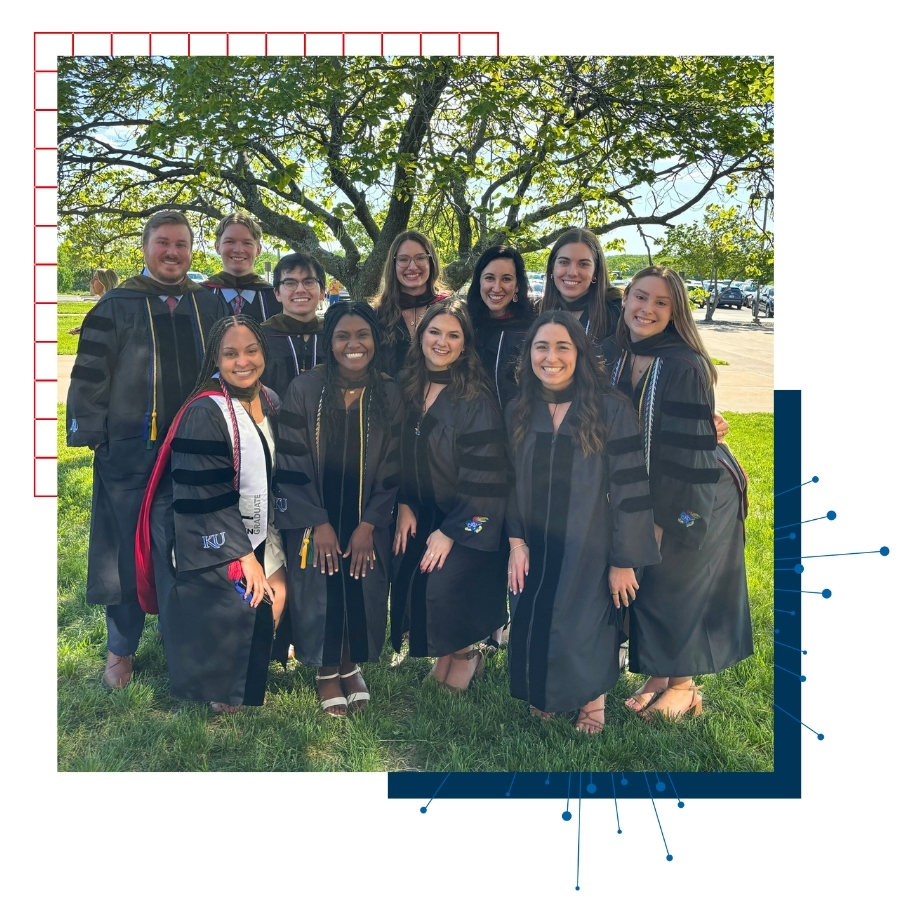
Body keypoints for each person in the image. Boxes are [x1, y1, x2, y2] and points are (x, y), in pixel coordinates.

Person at [66, 210, 229, 690]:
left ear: (192, 250)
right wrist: (97, 438)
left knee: (195, 550)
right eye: (163, 242)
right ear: (145, 247)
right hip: (132, 452)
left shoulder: (211, 307)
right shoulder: (117, 305)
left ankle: (193, 645)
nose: (173, 252)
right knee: (125, 553)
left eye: (181, 243)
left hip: (197, 450)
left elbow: (232, 369)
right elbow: (89, 377)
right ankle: (121, 650)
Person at [600, 266, 753, 720]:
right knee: (655, 588)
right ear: (625, 300)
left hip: (696, 493)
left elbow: (689, 456)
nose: (647, 309)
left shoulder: (683, 365)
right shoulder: (616, 354)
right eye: (640, 297)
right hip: (649, 488)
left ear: (675, 311)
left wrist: (662, 522)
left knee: (678, 584)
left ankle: (684, 686)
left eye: (660, 303)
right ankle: (659, 677)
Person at [505, 311, 660, 733]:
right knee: (534, 614)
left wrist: (624, 558)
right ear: (529, 355)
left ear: (580, 354)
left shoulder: (609, 409)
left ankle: (593, 702)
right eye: (541, 347)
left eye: (562, 347)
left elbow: (630, 488)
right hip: (534, 541)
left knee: (584, 623)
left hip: (589, 542)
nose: (550, 357)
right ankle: (546, 690)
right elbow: (508, 485)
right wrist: (515, 542)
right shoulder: (519, 409)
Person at [136, 316, 287, 713]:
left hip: (259, 523)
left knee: (281, 591)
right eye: (230, 353)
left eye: (251, 350)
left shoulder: (270, 399)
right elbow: (203, 494)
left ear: (263, 353)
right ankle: (224, 686)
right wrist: (243, 555)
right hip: (207, 529)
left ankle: (245, 671)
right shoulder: (205, 411)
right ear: (215, 359)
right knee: (246, 594)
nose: (243, 361)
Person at [274, 302, 402, 715]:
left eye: (362, 335)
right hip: (316, 518)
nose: (353, 344)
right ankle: (327, 670)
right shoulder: (306, 388)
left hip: (368, 517)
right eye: (343, 336)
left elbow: (395, 465)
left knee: (362, 585)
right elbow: (291, 463)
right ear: (329, 342)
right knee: (320, 587)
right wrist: (317, 521)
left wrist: (369, 524)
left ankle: (351, 665)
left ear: (375, 340)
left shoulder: (388, 390)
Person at [391, 299, 510, 692]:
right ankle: (446, 655)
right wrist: (405, 502)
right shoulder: (408, 386)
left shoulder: (474, 400)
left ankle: (465, 655)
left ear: (465, 344)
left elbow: (488, 477)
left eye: (453, 335)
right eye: (434, 332)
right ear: (421, 336)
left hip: (472, 516)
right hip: (423, 509)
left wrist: (452, 531)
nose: (442, 342)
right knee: (417, 583)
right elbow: (398, 453)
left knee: (444, 584)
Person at [372, 230, 451, 378]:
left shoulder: (448, 309)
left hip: (442, 398)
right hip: (390, 398)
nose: (412, 266)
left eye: (420, 258)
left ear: (431, 261)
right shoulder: (378, 314)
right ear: (393, 264)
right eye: (403, 259)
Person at [465, 245, 535, 411]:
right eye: (489, 278)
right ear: (479, 282)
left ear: (517, 285)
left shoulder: (533, 330)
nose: (497, 288)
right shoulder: (464, 325)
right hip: (470, 425)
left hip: (516, 425)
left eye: (506, 279)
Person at [539, 228, 622, 348]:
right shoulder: (537, 311)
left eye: (583, 264)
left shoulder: (616, 312)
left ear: (595, 271)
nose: (572, 272)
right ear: (552, 267)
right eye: (564, 262)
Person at [260, 252, 326, 397]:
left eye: (309, 282)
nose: (300, 290)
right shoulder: (260, 338)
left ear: (322, 291)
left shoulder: (333, 335)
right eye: (290, 283)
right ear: (277, 293)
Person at [202, 212, 283, 322]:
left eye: (247, 243)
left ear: (258, 250)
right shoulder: (199, 297)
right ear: (217, 247)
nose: (238, 250)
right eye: (230, 241)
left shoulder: (276, 298)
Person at [68, 268, 118, 335]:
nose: (91, 282)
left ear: (105, 282)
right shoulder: (105, 302)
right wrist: (83, 329)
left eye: (96, 279)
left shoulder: (110, 304)